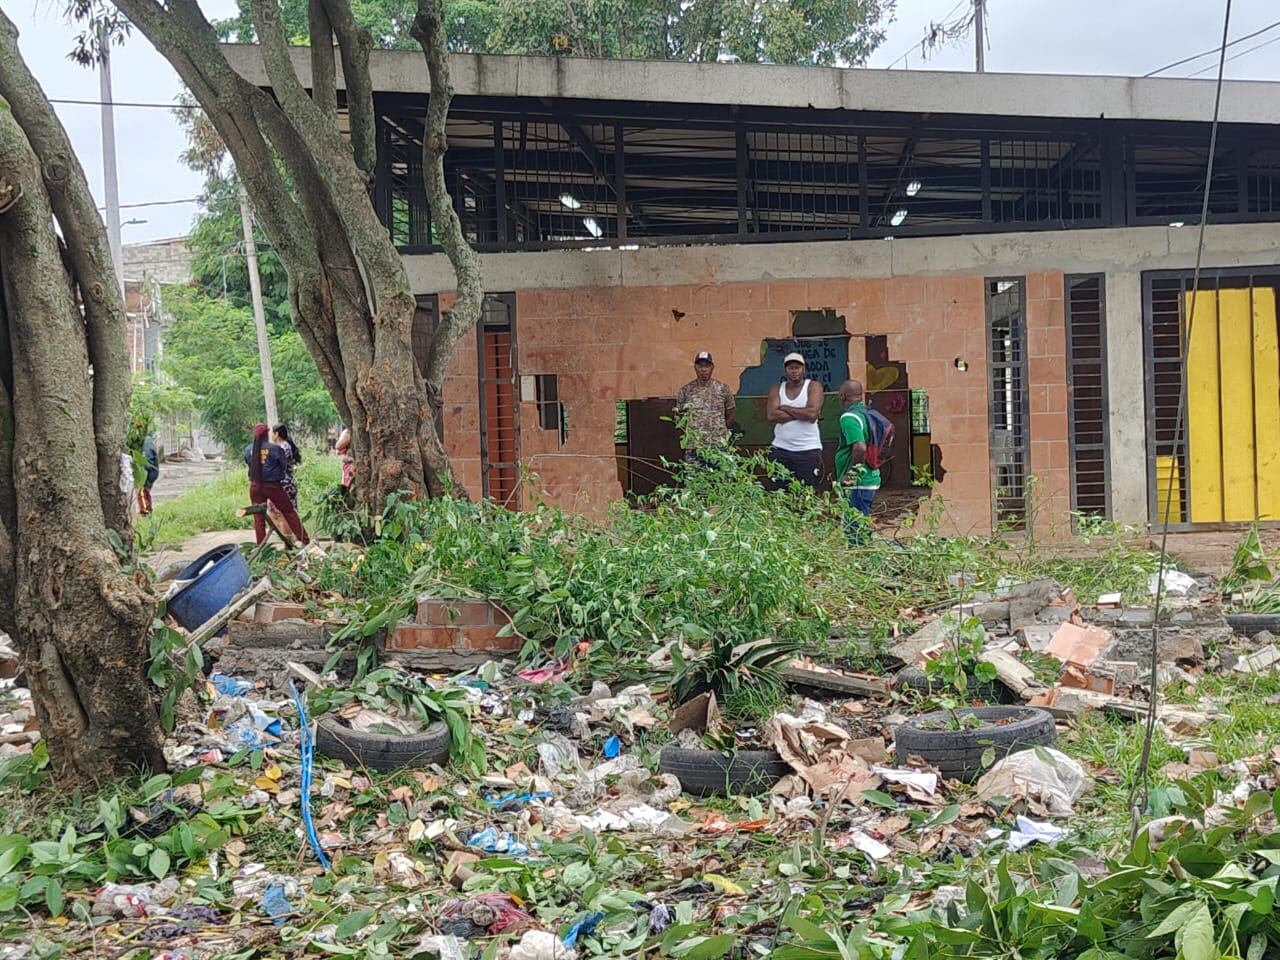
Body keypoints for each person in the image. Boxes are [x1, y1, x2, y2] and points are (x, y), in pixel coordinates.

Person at [765, 352, 824, 491]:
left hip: (808, 450)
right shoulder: (777, 389)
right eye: (790, 368)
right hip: (780, 449)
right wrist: (802, 412)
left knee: (807, 494)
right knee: (779, 494)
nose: (794, 371)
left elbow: (812, 414)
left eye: (797, 367)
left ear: (804, 369)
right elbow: (772, 415)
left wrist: (785, 408)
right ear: (785, 370)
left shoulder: (813, 386)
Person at [243, 423, 309, 545]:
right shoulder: (275, 449)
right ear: (266, 434)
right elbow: (284, 466)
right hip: (273, 486)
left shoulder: (248, 450)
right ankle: (304, 540)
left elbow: (248, 463)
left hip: (254, 487)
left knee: (259, 517)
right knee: (289, 512)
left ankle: (261, 547)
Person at [835, 379, 881, 545]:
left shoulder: (849, 417)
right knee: (861, 522)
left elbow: (860, 448)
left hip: (858, 483)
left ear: (842, 396)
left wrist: (852, 474)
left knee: (854, 528)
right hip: (870, 478)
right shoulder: (866, 413)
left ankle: (860, 561)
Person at [674, 350, 735, 463]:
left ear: (712, 367)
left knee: (720, 479)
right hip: (694, 447)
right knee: (693, 479)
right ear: (695, 368)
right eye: (700, 366)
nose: (703, 369)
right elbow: (679, 418)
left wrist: (719, 433)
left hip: (718, 446)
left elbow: (730, 414)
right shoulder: (686, 390)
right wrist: (690, 435)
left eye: (707, 366)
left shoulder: (723, 389)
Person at [272, 423, 303, 508]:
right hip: (286, 483)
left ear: (277, 434)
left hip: (285, 485)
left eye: (272, 433)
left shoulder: (283, 448)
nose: (271, 436)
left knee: (288, 514)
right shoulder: (283, 446)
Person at [137, 434, 159, 516]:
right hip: (152, 472)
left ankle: (145, 512)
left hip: (149, 472)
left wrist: (143, 472)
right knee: (145, 492)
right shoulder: (148, 441)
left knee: (141, 492)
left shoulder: (146, 443)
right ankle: (148, 509)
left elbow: (147, 459)